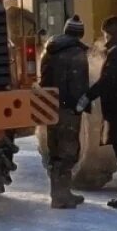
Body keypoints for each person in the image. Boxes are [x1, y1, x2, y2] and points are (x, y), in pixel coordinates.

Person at [76, 16, 117, 208]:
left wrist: (87, 96)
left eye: (106, 34)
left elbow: (109, 81)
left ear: (114, 33)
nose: (104, 38)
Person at [38, 16, 90, 209]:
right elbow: (78, 83)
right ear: (79, 33)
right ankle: (62, 196)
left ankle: (58, 193)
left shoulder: (49, 50)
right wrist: (81, 105)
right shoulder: (76, 53)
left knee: (55, 151)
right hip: (68, 108)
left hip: (51, 106)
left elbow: (44, 81)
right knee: (68, 152)